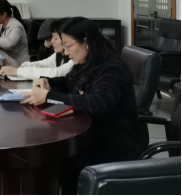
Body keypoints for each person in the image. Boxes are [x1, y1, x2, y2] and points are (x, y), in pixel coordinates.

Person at [21, 17, 142, 194]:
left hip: (111, 145)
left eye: (68, 46)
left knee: (56, 161)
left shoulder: (112, 68)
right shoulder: (87, 62)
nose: (65, 52)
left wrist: (49, 96)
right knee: (51, 160)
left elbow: (97, 103)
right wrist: (47, 81)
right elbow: (69, 82)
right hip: (91, 137)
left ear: (85, 42)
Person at [0, 18, 73, 80]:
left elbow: (55, 73)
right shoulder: (58, 54)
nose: (52, 42)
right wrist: (26, 65)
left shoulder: (74, 58)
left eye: (55, 38)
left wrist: (18, 71)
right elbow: (43, 64)